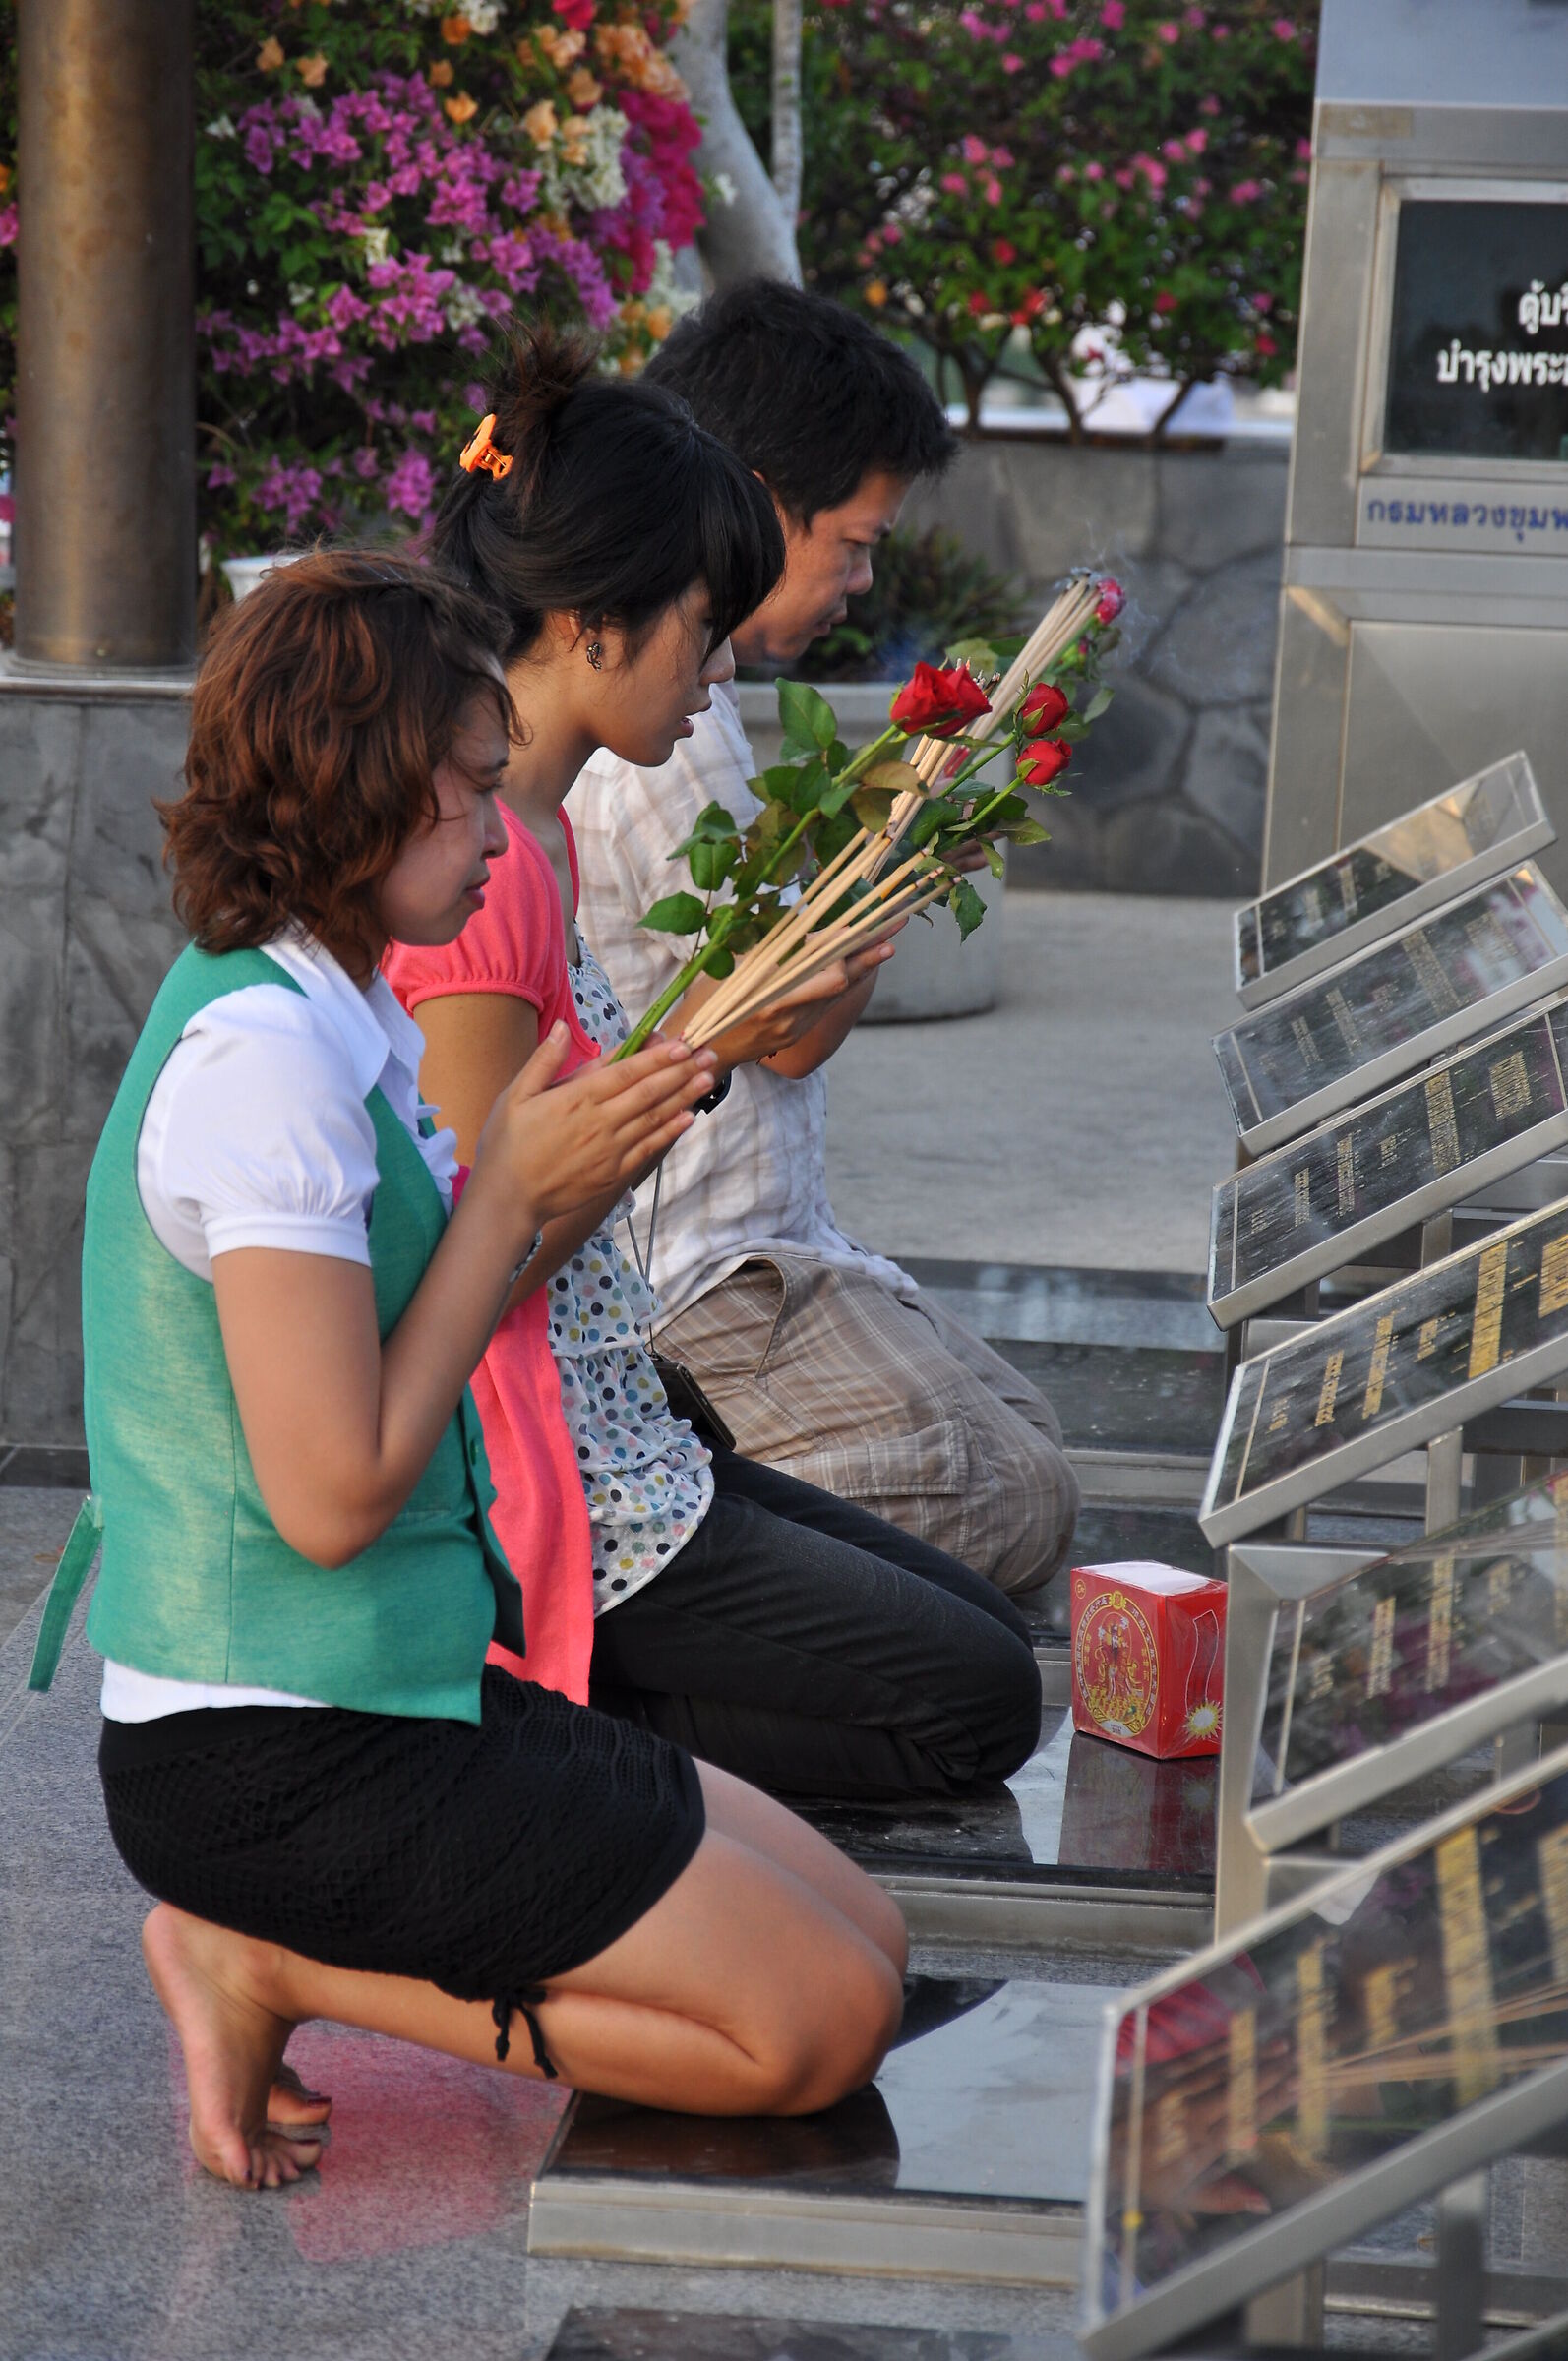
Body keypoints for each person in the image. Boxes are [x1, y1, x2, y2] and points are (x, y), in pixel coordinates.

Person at [30, 552, 909, 2193]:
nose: (499, 836)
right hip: (270, 1751)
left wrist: (572, 1168)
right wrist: (508, 1188)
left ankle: (281, 1951)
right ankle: (256, 1960)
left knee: (866, 1937)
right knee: (808, 2035)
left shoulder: (330, 998)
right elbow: (330, 1499)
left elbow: (431, 1310)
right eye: (467, 796)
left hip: (399, 1686)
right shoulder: (262, 1066)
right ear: (361, 794)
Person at [389, 321, 1044, 1802]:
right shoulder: (480, 881)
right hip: (543, 1469)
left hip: (618, 1404)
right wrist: (695, 1063)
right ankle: (519, 1713)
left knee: (979, 1620)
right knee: (976, 1700)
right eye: (700, 621)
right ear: (595, 622)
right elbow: (460, 1266)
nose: (718, 665)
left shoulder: (532, 827)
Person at [569, 279, 1079, 1598]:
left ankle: (658, 1521)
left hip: (759, 1242)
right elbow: (780, 1036)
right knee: (999, 1490)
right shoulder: (652, 731)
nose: (859, 582)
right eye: (849, 543)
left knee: (1018, 1453)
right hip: (686, 1278)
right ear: (744, 498)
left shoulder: (695, 701)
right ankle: (617, 1543)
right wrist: (898, 854)